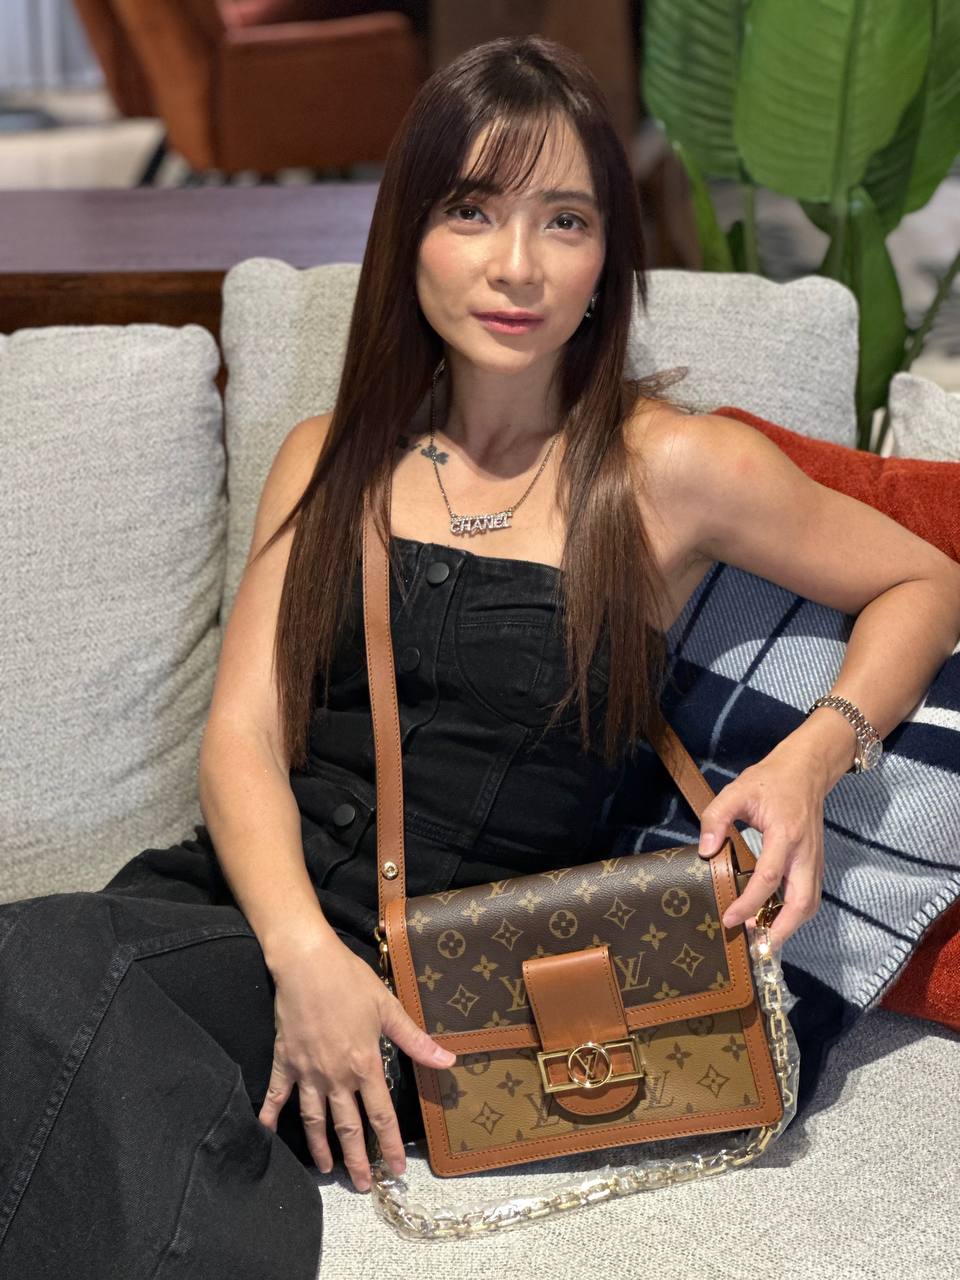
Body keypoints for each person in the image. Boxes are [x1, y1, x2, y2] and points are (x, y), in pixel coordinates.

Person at [3, 33, 959, 1280]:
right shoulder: (329, 457)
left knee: (54, 970)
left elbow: (925, 580)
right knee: (51, 980)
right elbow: (241, 735)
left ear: (607, 255)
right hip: (244, 916)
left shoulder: (671, 468)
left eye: (564, 219)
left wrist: (811, 758)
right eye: (471, 211)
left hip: (451, 990)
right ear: (410, 235)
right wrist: (303, 956)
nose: (517, 263)